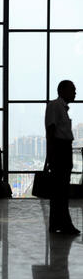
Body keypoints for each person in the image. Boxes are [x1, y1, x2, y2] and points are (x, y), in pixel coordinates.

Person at [45, 81, 80, 235]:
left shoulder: (62, 108)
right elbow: (51, 131)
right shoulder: (55, 106)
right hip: (60, 150)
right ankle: (63, 223)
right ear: (63, 90)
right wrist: (51, 155)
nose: (75, 93)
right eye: (72, 90)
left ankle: (57, 223)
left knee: (61, 190)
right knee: (60, 190)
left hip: (63, 149)